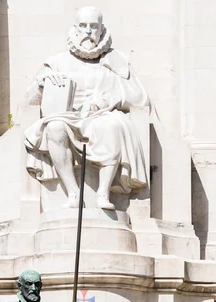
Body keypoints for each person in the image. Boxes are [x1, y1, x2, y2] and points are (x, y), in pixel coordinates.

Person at [25, 5, 149, 210]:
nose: (88, 31)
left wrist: (107, 100)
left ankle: (103, 192)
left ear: (101, 30)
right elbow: (28, 101)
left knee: (113, 126)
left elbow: (140, 98)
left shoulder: (115, 60)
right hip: (68, 117)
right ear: (75, 29)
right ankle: (73, 193)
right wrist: (41, 83)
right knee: (54, 127)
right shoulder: (57, 61)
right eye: (83, 26)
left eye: (93, 26)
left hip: (100, 117)